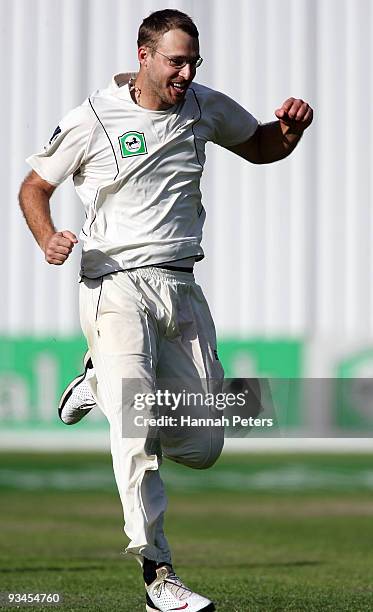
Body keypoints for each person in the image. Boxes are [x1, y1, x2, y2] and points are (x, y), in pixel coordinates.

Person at [19, 9, 313, 612]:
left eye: (193, 62)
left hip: (181, 286)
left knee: (205, 445)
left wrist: (288, 132)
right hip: (114, 283)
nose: (186, 72)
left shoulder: (203, 105)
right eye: (176, 60)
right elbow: (33, 187)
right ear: (145, 55)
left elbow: (258, 146)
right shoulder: (93, 117)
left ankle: (97, 380)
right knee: (137, 432)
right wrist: (48, 236)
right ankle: (158, 575)